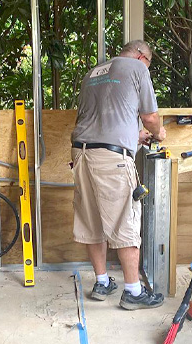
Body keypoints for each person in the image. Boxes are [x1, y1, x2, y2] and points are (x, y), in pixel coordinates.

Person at [70, 40, 166, 310]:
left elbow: (100, 120)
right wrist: (158, 133)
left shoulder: (94, 73)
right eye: (148, 64)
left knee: (92, 222)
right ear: (141, 56)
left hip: (81, 155)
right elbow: (150, 117)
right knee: (126, 220)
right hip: (112, 161)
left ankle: (102, 282)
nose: (147, 68)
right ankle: (133, 292)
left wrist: (134, 137)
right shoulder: (137, 68)